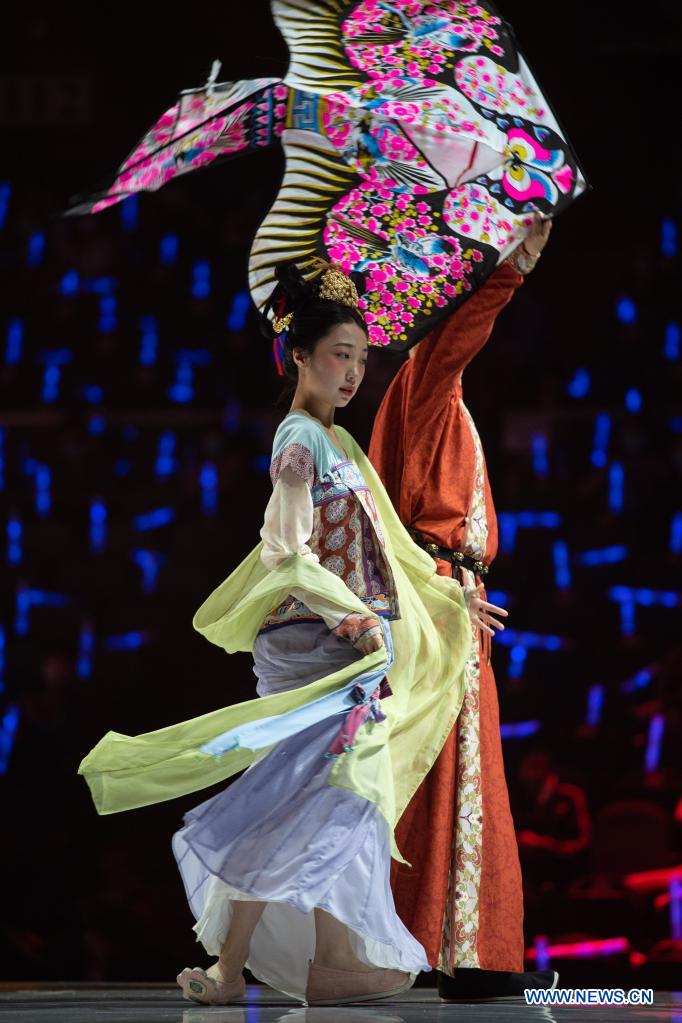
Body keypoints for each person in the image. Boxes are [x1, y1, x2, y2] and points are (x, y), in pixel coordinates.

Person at [78, 259, 472, 1006]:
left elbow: (388, 544)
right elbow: (285, 552)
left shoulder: (338, 443)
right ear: (299, 355)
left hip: (343, 645)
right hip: (318, 644)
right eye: (338, 355)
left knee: (325, 795)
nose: (353, 371)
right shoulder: (301, 441)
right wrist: (351, 616)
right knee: (320, 794)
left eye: (361, 357)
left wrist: (450, 595)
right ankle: (268, 962)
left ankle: (296, 959)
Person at [368, 214, 558, 1001]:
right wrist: (510, 267)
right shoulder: (425, 380)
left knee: (456, 775)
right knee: (449, 773)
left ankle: (459, 948)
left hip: (453, 599)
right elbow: (458, 333)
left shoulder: (433, 397)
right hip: (442, 600)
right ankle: (461, 954)